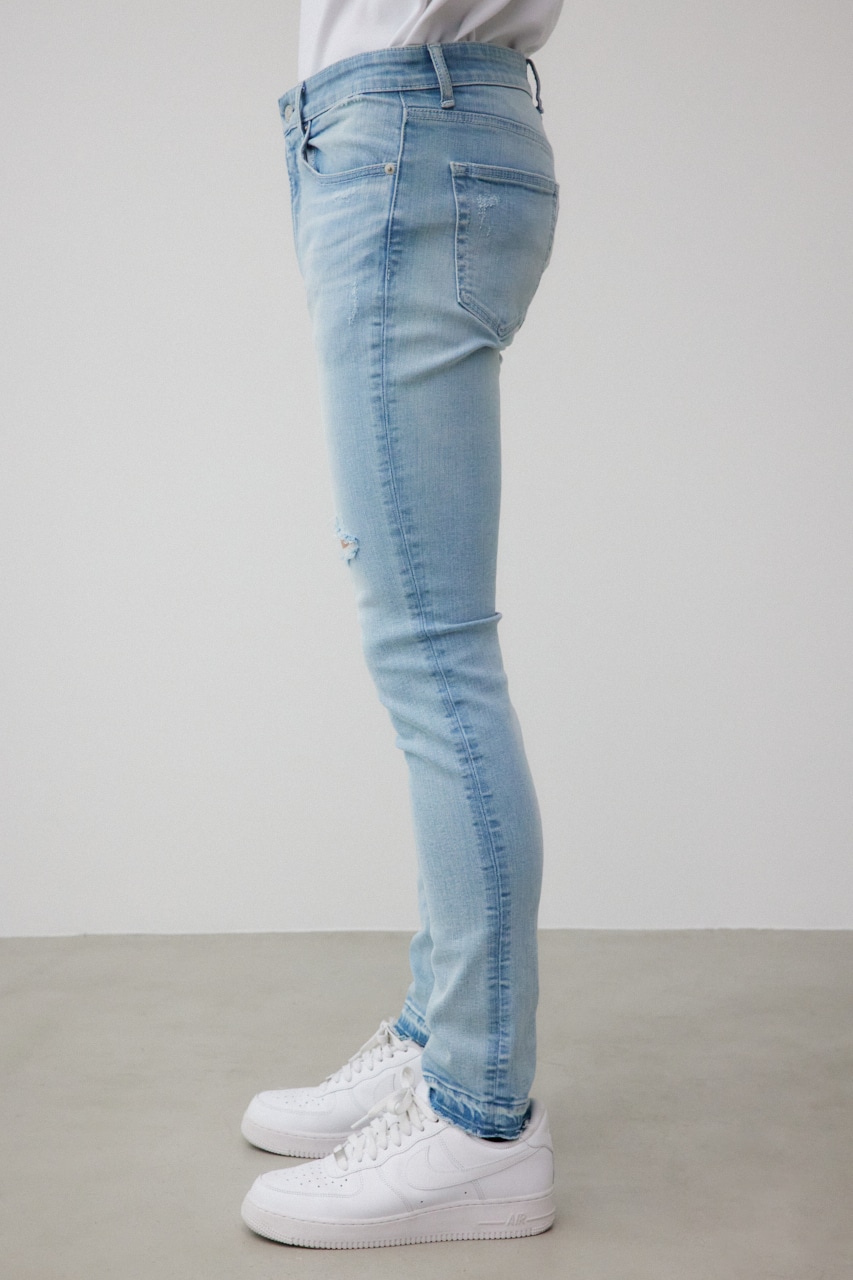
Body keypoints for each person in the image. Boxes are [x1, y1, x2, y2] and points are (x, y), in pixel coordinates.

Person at [241, 2, 564, 1249]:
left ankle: (478, 1118)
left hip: (403, 132)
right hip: (407, 126)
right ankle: (442, 1033)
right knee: (431, 644)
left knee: (433, 651)